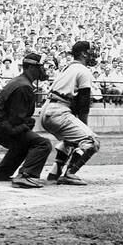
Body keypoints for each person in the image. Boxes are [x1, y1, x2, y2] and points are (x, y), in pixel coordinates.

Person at [0, 52, 52, 188]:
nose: (43, 70)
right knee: (42, 144)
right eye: (40, 67)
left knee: (23, 142)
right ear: (31, 68)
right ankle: (26, 175)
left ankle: (0, 174)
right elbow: (16, 120)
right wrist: (27, 125)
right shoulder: (24, 86)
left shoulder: (21, 81)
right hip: (2, 127)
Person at [41, 41, 101, 185]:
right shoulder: (83, 70)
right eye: (90, 51)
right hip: (58, 110)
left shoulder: (68, 68)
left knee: (72, 139)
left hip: (48, 109)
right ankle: (70, 173)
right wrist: (84, 125)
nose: (93, 54)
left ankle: (54, 172)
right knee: (91, 141)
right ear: (83, 53)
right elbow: (83, 102)